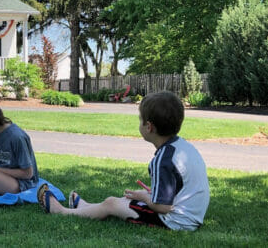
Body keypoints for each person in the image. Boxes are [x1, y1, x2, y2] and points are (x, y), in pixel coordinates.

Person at [37, 91, 209, 231]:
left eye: (140, 120)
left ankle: (62, 212)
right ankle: (85, 207)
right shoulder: (182, 148)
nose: (139, 123)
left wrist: (146, 197)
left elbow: (162, 207)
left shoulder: (163, 160)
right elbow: (177, 188)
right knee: (122, 200)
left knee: (113, 203)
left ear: (149, 127)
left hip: (176, 222)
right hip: (190, 215)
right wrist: (152, 193)